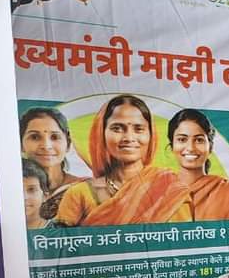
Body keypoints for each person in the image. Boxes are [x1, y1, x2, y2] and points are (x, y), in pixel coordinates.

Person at [56, 94, 191, 226]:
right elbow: (60, 239)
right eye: (117, 128)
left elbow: (184, 237)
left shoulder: (169, 186)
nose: (129, 138)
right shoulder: (80, 193)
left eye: (139, 129)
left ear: (151, 135)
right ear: (101, 133)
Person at [167, 109, 229, 221]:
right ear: (172, 146)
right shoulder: (159, 193)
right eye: (182, 139)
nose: (190, 148)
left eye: (199, 140)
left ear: (210, 147)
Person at [19, 107, 84, 220]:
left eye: (55, 137)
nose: (46, 146)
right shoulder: (11, 189)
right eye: (35, 137)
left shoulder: (86, 189)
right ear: (21, 144)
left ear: (68, 144)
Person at [22, 158, 49, 230]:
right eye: (17, 190)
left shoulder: (60, 231)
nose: (24, 197)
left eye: (31, 189)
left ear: (45, 196)